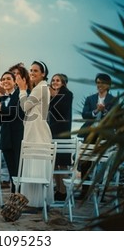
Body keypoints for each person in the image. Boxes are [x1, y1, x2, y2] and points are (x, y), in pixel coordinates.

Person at [15, 60, 53, 208]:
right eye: (31, 70)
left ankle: (34, 202)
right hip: (36, 128)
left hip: (37, 131)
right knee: (35, 165)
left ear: (43, 74)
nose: (32, 73)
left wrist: (22, 89)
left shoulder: (41, 87)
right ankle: (36, 201)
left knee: (35, 165)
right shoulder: (42, 88)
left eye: (35, 71)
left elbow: (25, 106)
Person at [78, 73, 115, 199]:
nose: (99, 85)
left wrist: (104, 111)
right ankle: (84, 191)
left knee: (104, 162)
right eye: (98, 82)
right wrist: (96, 111)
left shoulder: (113, 100)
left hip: (105, 135)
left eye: (102, 83)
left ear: (108, 85)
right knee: (85, 161)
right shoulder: (90, 99)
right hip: (90, 134)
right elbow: (84, 115)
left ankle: (102, 192)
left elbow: (115, 117)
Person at [0, 67, 28, 193]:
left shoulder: (20, 95)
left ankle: (18, 199)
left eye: (8, 78)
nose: (5, 81)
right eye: (3, 79)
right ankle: (14, 199)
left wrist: (1, 109)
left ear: (14, 82)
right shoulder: (2, 99)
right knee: (11, 172)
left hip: (18, 138)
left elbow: (17, 113)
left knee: (18, 171)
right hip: (6, 139)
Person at [48, 73, 73, 201]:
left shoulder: (67, 94)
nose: (55, 82)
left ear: (63, 82)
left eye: (58, 80)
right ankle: (58, 189)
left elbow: (59, 111)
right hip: (52, 132)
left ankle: (63, 191)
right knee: (54, 163)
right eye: (53, 80)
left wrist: (53, 97)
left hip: (63, 133)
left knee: (62, 164)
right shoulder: (53, 94)